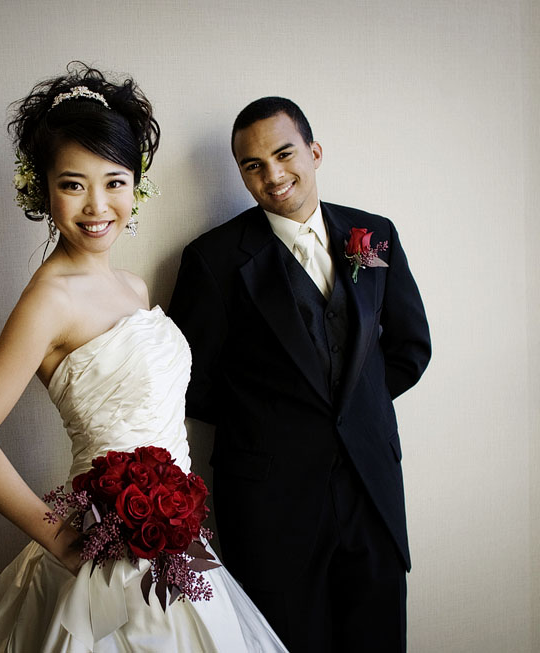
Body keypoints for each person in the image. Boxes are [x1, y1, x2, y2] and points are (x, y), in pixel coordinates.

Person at [0, 64, 287, 652]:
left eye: (114, 182)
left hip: (182, 550)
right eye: (73, 184)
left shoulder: (133, 287)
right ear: (42, 188)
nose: (97, 205)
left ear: (135, 186)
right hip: (109, 553)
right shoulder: (48, 300)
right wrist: (62, 540)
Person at [168, 97, 431, 651]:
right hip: (271, 503)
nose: (273, 175)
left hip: (372, 491)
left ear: (313, 152)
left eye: (284, 154)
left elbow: (409, 346)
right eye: (252, 165)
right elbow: (191, 382)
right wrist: (274, 426)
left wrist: (357, 411)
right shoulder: (212, 260)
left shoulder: (374, 234)